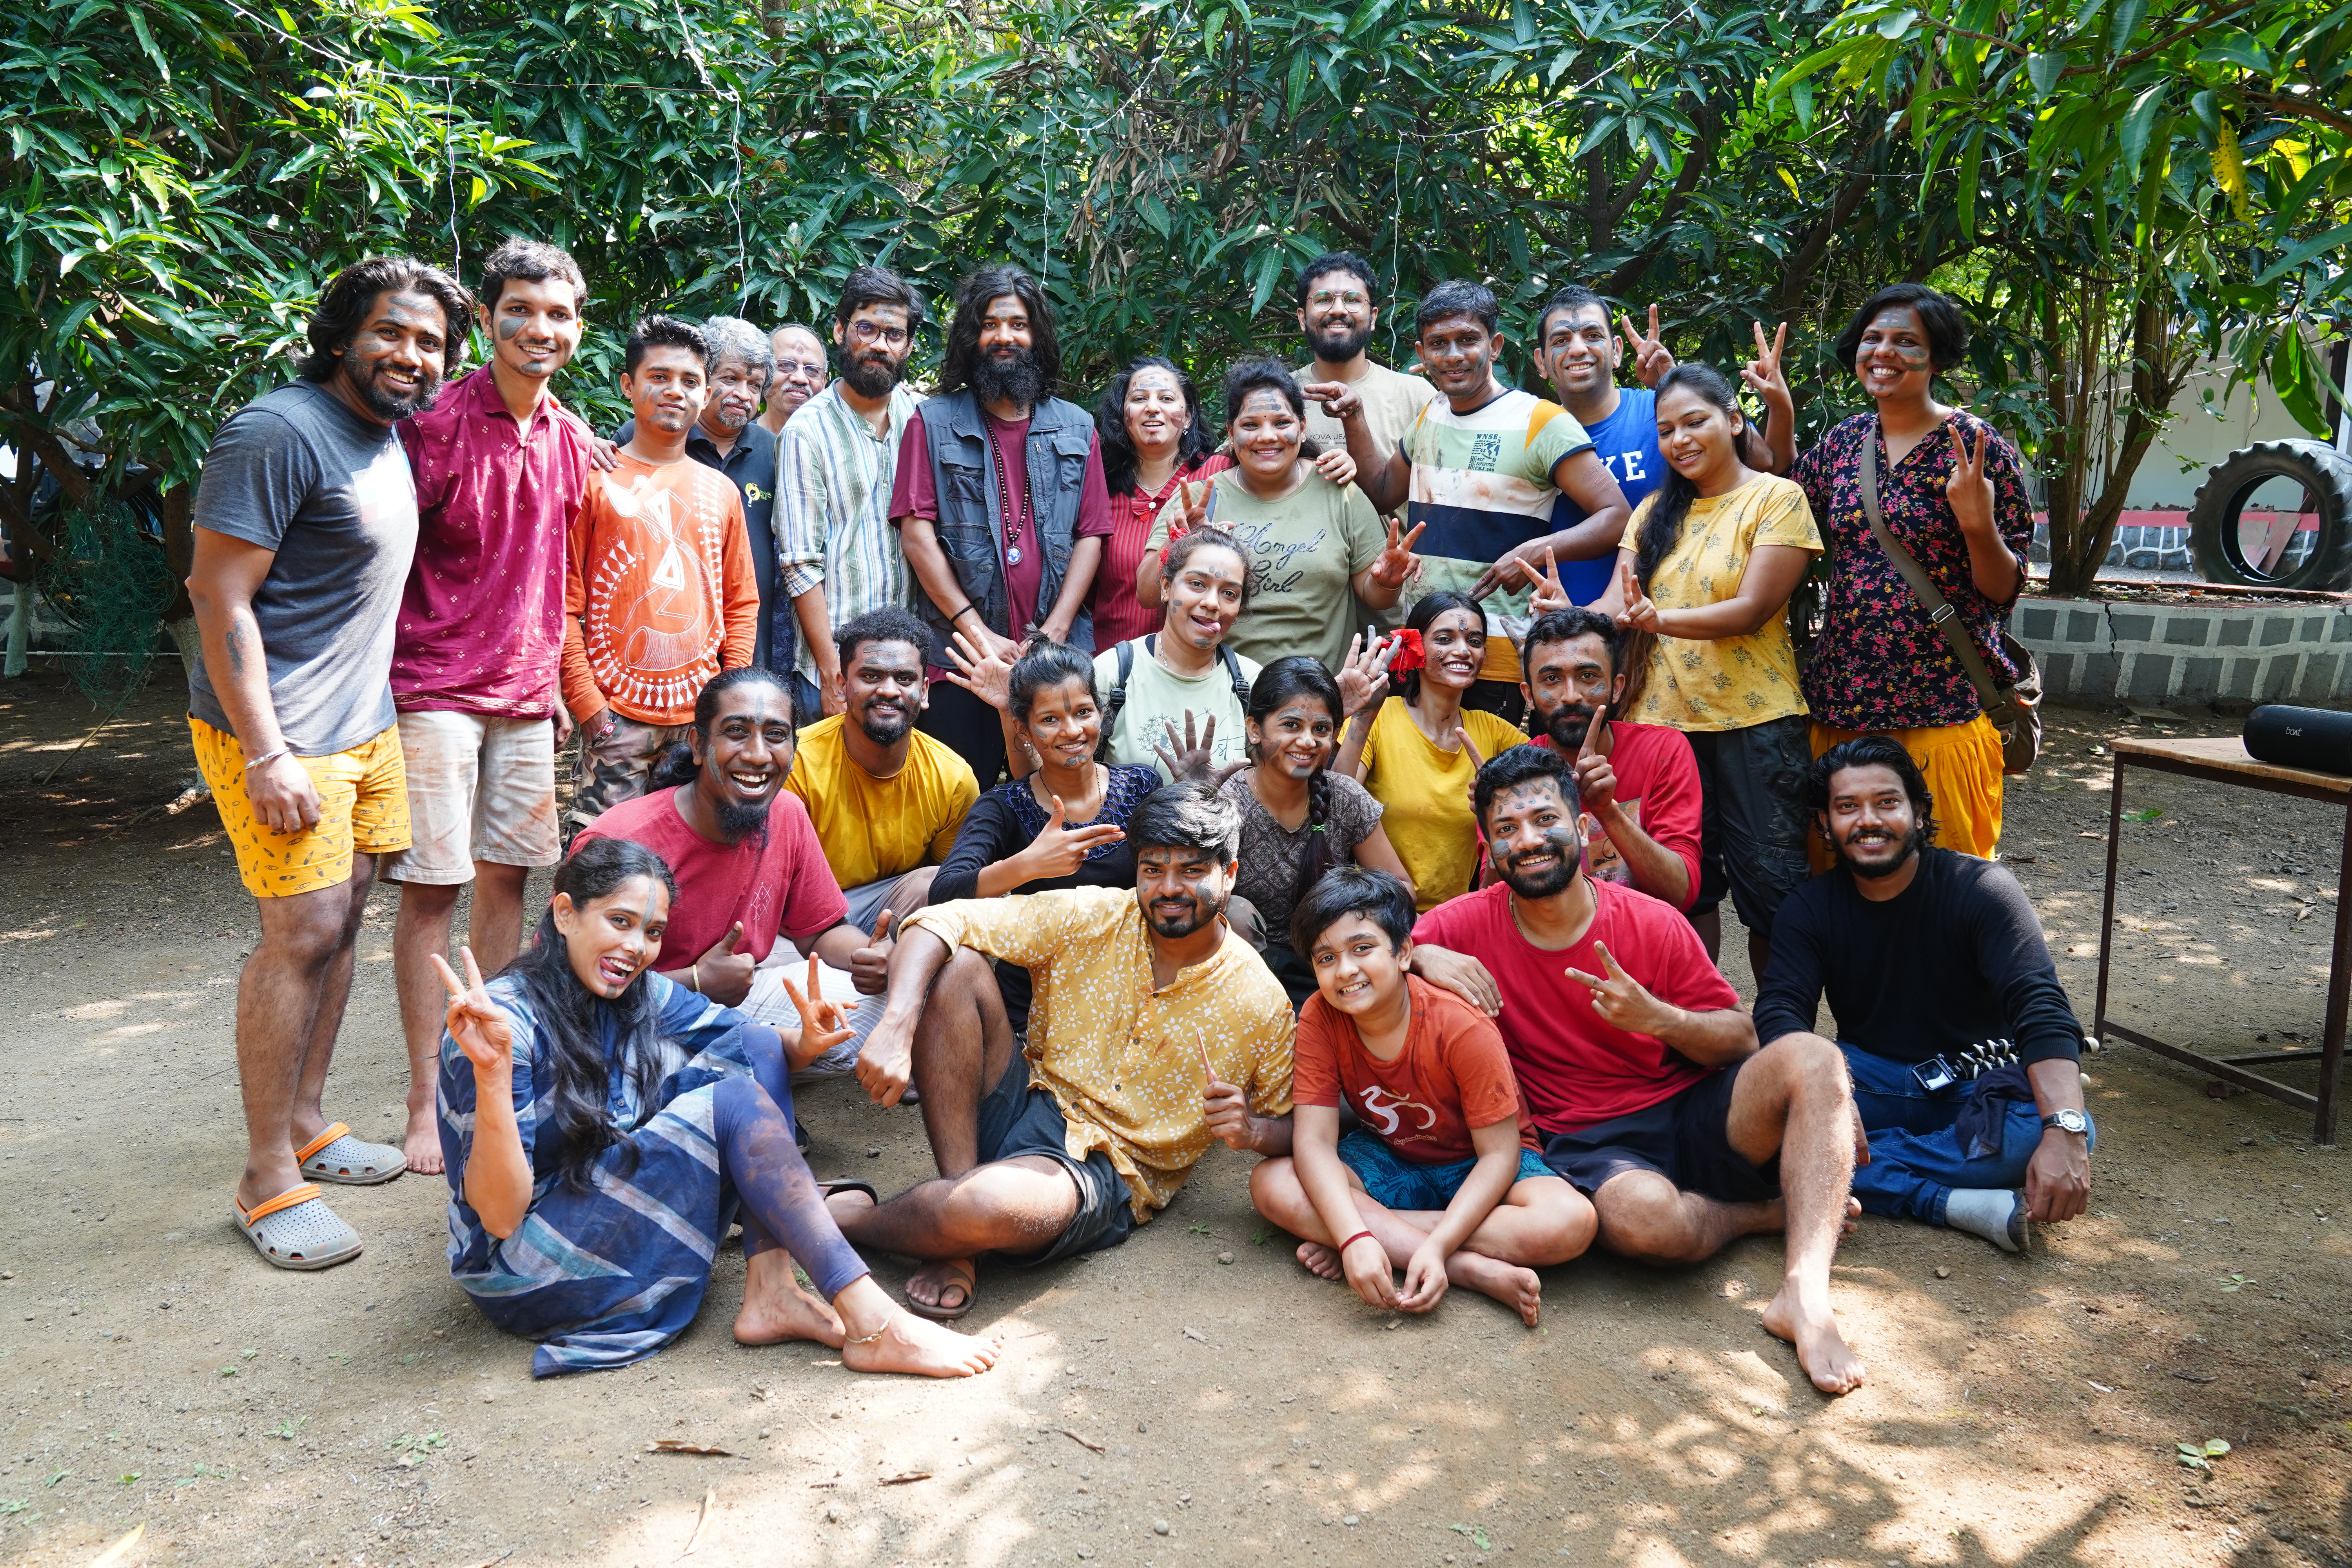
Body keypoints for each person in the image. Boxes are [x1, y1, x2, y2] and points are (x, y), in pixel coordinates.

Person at [431, 836, 1002, 1379]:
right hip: (526, 1265)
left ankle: (772, 1291)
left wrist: (804, 1043)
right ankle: (874, 1323)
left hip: (590, 1195)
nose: (636, 948)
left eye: (653, 932)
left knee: (753, 1047)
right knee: (731, 1099)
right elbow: (500, 1219)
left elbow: (751, 1044)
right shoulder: (500, 1027)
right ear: (564, 914)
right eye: (619, 921)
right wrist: (493, 1074)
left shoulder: (635, 989)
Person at [1410, 745, 1867, 1395]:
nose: (1529, 840)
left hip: (1694, 1106)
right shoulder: (1460, 926)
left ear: (1581, 826)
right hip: (1590, 1140)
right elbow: (1367, 945)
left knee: (1816, 1056)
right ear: (1488, 844)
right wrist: (1420, 956)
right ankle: (1761, 1213)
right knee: (1645, 1221)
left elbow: (1741, 1037)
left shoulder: (1651, 920)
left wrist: (1661, 1019)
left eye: (1545, 819)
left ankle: (1806, 1294)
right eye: (1507, 828)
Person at [186, 255, 471, 1269]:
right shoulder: (276, 431)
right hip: (282, 738)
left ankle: (306, 1121)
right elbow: (217, 595)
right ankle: (266, 1177)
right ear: (343, 332)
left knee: (346, 918)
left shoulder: (382, 432)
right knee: (300, 933)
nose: (412, 355)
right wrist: (267, 752)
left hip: (365, 726)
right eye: (392, 332)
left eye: (431, 342)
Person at [832, 782, 1295, 1319]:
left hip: (1106, 1169)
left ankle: (839, 1218)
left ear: (1229, 875)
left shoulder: (1262, 1002)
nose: (1169, 888)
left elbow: (1297, 1126)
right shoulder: (1094, 913)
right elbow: (945, 917)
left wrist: (1251, 1130)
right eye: (1153, 869)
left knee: (984, 1205)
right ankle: (958, 1236)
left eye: (1192, 871)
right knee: (957, 965)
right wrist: (895, 1025)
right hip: (1030, 1095)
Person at [383, 238, 596, 1176]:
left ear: (578, 327)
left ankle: (486, 1074)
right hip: (434, 687)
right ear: (487, 317)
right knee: (434, 888)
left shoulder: (571, 437)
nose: (539, 329)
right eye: (520, 310)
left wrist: (557, 684)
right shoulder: (432, 425)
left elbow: (562, 573)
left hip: (526, 697)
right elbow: (384, 560)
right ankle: (424, 1094)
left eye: (557, 314)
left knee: (509, 879)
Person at [1755, 738, 2093, 1252]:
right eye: (1848, 807)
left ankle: (1839, 1166)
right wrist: (1828, 1095)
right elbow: (1782, 1012)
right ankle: (1947, 1201)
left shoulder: (1983, 888)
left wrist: (2063, 1130)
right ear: (1825, 823)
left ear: (1918, 812)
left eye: (1887, 802)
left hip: (1975, 1092)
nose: (1869, 820)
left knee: (2060, 1128)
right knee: (1750, 1109)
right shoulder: (1808, 908)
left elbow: (2041, 1008)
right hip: (1867, 1085)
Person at [1248, 867, 1595, 1324]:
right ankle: (1468, 1269)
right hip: (1394, 1156)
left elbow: (1500, 1155)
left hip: (1480, 1163)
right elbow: (1313, 1141)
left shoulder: (1460, 1025)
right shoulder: (1320, 1015)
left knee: (1570, 1221)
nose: (1345, 970)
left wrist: (1361, 1230)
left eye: (1362, 948)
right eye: (1326, 958)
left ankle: (1388, 1239)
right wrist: (1353, 1237)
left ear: (1405, 952)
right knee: (1273, 1182)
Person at [1779, 283, 2034, 859]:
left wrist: (1978, 525)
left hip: (1940, 708)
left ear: (1937, 357)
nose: (1884, 352)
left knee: (1945, 883)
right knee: (1838, 879)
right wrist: (1778, 410)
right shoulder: (1845, 441)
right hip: (1843, 705)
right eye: (1873, 338)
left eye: (1906, 341)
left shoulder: (1976, 445)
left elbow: (2002, 591)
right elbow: (1781, 503)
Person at [1588, 364, 1821, 977]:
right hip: (1660, 729)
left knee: (1774, 893)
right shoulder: (1652, 511)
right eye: (1667, 430)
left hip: (1755, 726)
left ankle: (1782, 1022)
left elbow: (1752, 609)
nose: (1680, 440)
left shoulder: (1776, 498)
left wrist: (1657, 619)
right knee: (1681, 891)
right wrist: (1567, 613)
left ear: (1734, 420)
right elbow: (1616, 606)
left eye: (1695, 422)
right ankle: (1695, 1015)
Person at [1317, 279, 1632, 725]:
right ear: (1422, 353)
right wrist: (1354, 416)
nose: (1453, 355)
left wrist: (1530, 554)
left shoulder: (1542, 420)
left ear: (1495, 346)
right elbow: (1384, 490)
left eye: (1468, 340)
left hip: (1499, 654)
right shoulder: (1431, 413)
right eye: (1438, 344)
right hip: (1422, 649)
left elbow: (1617, 517)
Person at [571, 668, 893, 1076]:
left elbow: (819, 931)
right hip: (635, 1016)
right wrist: (695, 982)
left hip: (740, 997)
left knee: (885, 1010)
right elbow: (571, 987)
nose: (758, 755)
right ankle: (744, 1075)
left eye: (776, 735)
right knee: (654, 1067)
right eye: (737, 732)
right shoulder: (621, 839)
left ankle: (748, 1068)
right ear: (699, 745)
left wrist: (867, 956)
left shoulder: (786, 813)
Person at [893, 264, 1112, 787]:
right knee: (959, 800)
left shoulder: (1077, 426)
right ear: (972, 337)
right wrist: (979, 633)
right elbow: (916, 535)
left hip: (1056, 660)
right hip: (960, 658)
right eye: (990, 325)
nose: (1004, 337)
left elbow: (1091, 533)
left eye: (1018, 324)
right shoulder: (932, 421)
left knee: (1055, 799)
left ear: (1037, 335)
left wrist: (1055, 630)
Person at [561, 315, 759, 837]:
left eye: (690, 381)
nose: (675, 391)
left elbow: (741, 603)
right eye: (659, 377)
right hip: (617, 715)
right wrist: (589, 705)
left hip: (699, 720)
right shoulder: (594, 480)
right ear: (628, 386)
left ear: (705, 393)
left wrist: (727, 697)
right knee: (602, 859)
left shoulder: (721, 492)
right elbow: (564, 604)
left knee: (691, 854)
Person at [928, 637, 1161, 1029]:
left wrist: (1196, 793)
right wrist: (1028, 865)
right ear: (1024, 730)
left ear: (1101, 713)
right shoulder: (1004, 805)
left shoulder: (1141, 786)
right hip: (1032, 1011)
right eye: (1050, 719)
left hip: (1132, 1000)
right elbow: (944, 892)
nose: (1072, 730)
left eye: (1083, 712)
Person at [1137, 359, 1416, 673]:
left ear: (1303, 427)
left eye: (1282, 423)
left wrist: (1387, 582)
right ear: (1231, 432)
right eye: (1251, 425)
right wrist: (1179, 544)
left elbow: (1376, 598)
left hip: (1320, 691)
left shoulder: (1339, 491)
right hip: (1225, 690)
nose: (1267, 436)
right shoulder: (1200, 499)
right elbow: (1147, 596)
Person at [1531, 288, 1796, 606]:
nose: (1577, 349)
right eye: (1561, 340)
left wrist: (1672, 382)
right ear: (1541, 362)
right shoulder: (1530, 434)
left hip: (1680, 621)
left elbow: (1763, 463)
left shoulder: (1665, 417)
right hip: (1568, 620)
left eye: (1593, 335)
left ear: (1617, 351)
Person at [778, 267, 927, 722]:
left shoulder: (923, 420)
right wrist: (832, 674)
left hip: (905, 672)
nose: (880, 345)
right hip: (835, 668)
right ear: (841, 331)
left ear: (909, 346)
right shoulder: (806, 431)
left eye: (894, 335)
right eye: (867, 329)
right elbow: (800, 564)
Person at [1221, 656, 1412, 1004]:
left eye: (1321, 730)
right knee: (1235, 910)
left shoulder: (1345, 797)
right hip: (1248, 975)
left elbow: (1402, 888)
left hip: (1337, 964)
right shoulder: (1230, 803)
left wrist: (1350, 906)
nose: (1308, 741)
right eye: (1291, 725)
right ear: (1255, 730)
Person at [784, 607, 979, 934]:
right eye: (871, 677)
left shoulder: (953, 778)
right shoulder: (795, 762)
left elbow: (949, 889)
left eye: (904, 679)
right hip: (801, 913)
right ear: (842, 686)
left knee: (940, 883)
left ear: (924, 691)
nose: (889, 690)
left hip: (889, 908)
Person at [614, 316, 785, 673]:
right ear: (705, 383)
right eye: (731, 379)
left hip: (750, 645)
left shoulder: (775, 453)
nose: (743, 395)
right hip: (662, 636)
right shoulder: (647, 436)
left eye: (755, 385)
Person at [1336, 591, 1526, 912]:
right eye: (1445, 639)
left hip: (1459, 918)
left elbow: (1560, 776)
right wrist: (1363, 717)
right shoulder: (1381, 717)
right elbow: (1338, 803)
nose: (1463, 651)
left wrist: (1538, 684)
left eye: (1475, 641)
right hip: (1378, 914)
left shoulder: (1494, 731)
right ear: (1415, 649)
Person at [1514, 605, 1700, 912]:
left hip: (1641, 932)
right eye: (1552, 679)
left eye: (1588, 676)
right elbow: (1496, 900)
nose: (1571, 696)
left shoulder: (1663, 750)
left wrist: (1608, 813)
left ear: (1617, 688)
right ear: (1529, 696)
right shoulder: (1516, 774)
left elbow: (1680, 893)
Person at [1093, 524, 1259, 782]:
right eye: (1197, 584)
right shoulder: (1112, 673)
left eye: (1229, 593)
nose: (1212, 603)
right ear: (1166, 588)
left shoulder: (1252, 682)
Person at [1090, 356, 1234, 646]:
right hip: (1112, 660)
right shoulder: (1098, 487)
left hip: (1198, 659)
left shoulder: (1221, 473)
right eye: (1139, 399)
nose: (1153, 408)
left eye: (1167, 398)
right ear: (1123, 415)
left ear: (1188, 416)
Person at [1290, 251, 1434, 527]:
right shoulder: (1278, 394)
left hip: (1394, 553)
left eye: (1353, 300)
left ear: (1373, 317)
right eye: (1323, 300)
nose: (1338, 310)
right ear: (1302, 318)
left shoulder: (1416, 395)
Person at [759, 322, 830, 434]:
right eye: (787, 365)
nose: (800, 379)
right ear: (764, 373)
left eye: (812, 370)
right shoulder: (736, 440)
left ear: (823, 383)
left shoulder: (838, 441)